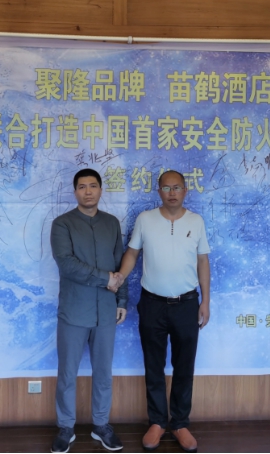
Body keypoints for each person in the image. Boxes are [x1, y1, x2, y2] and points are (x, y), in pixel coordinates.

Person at [116, 170, 211, 453]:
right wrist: (119, 277)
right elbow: (132, 253)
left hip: (186, 304)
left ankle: (180, 423)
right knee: (153, 365)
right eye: (167, 188)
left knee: (184, 366)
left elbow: (203, 261)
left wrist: (205, 301)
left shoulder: (196, 221)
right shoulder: (145, 219)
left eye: (177, 187)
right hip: (152, 304)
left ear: (185, 190)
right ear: (158, 191)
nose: (172, 193)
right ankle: (157, 422)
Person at [50, 168, 128, 453]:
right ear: (75, 192)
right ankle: (65, 428)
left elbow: (119, 265)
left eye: (93, 186)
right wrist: (105, 278)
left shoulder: (111, 223)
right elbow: (67, 264)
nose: (88, 191)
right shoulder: (62, 224)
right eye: (82, 186)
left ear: (101, 190)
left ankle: (101, 425)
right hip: (74, 311)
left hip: (106, 311)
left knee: (104, 373)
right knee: (67, 374)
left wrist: (122, 300)